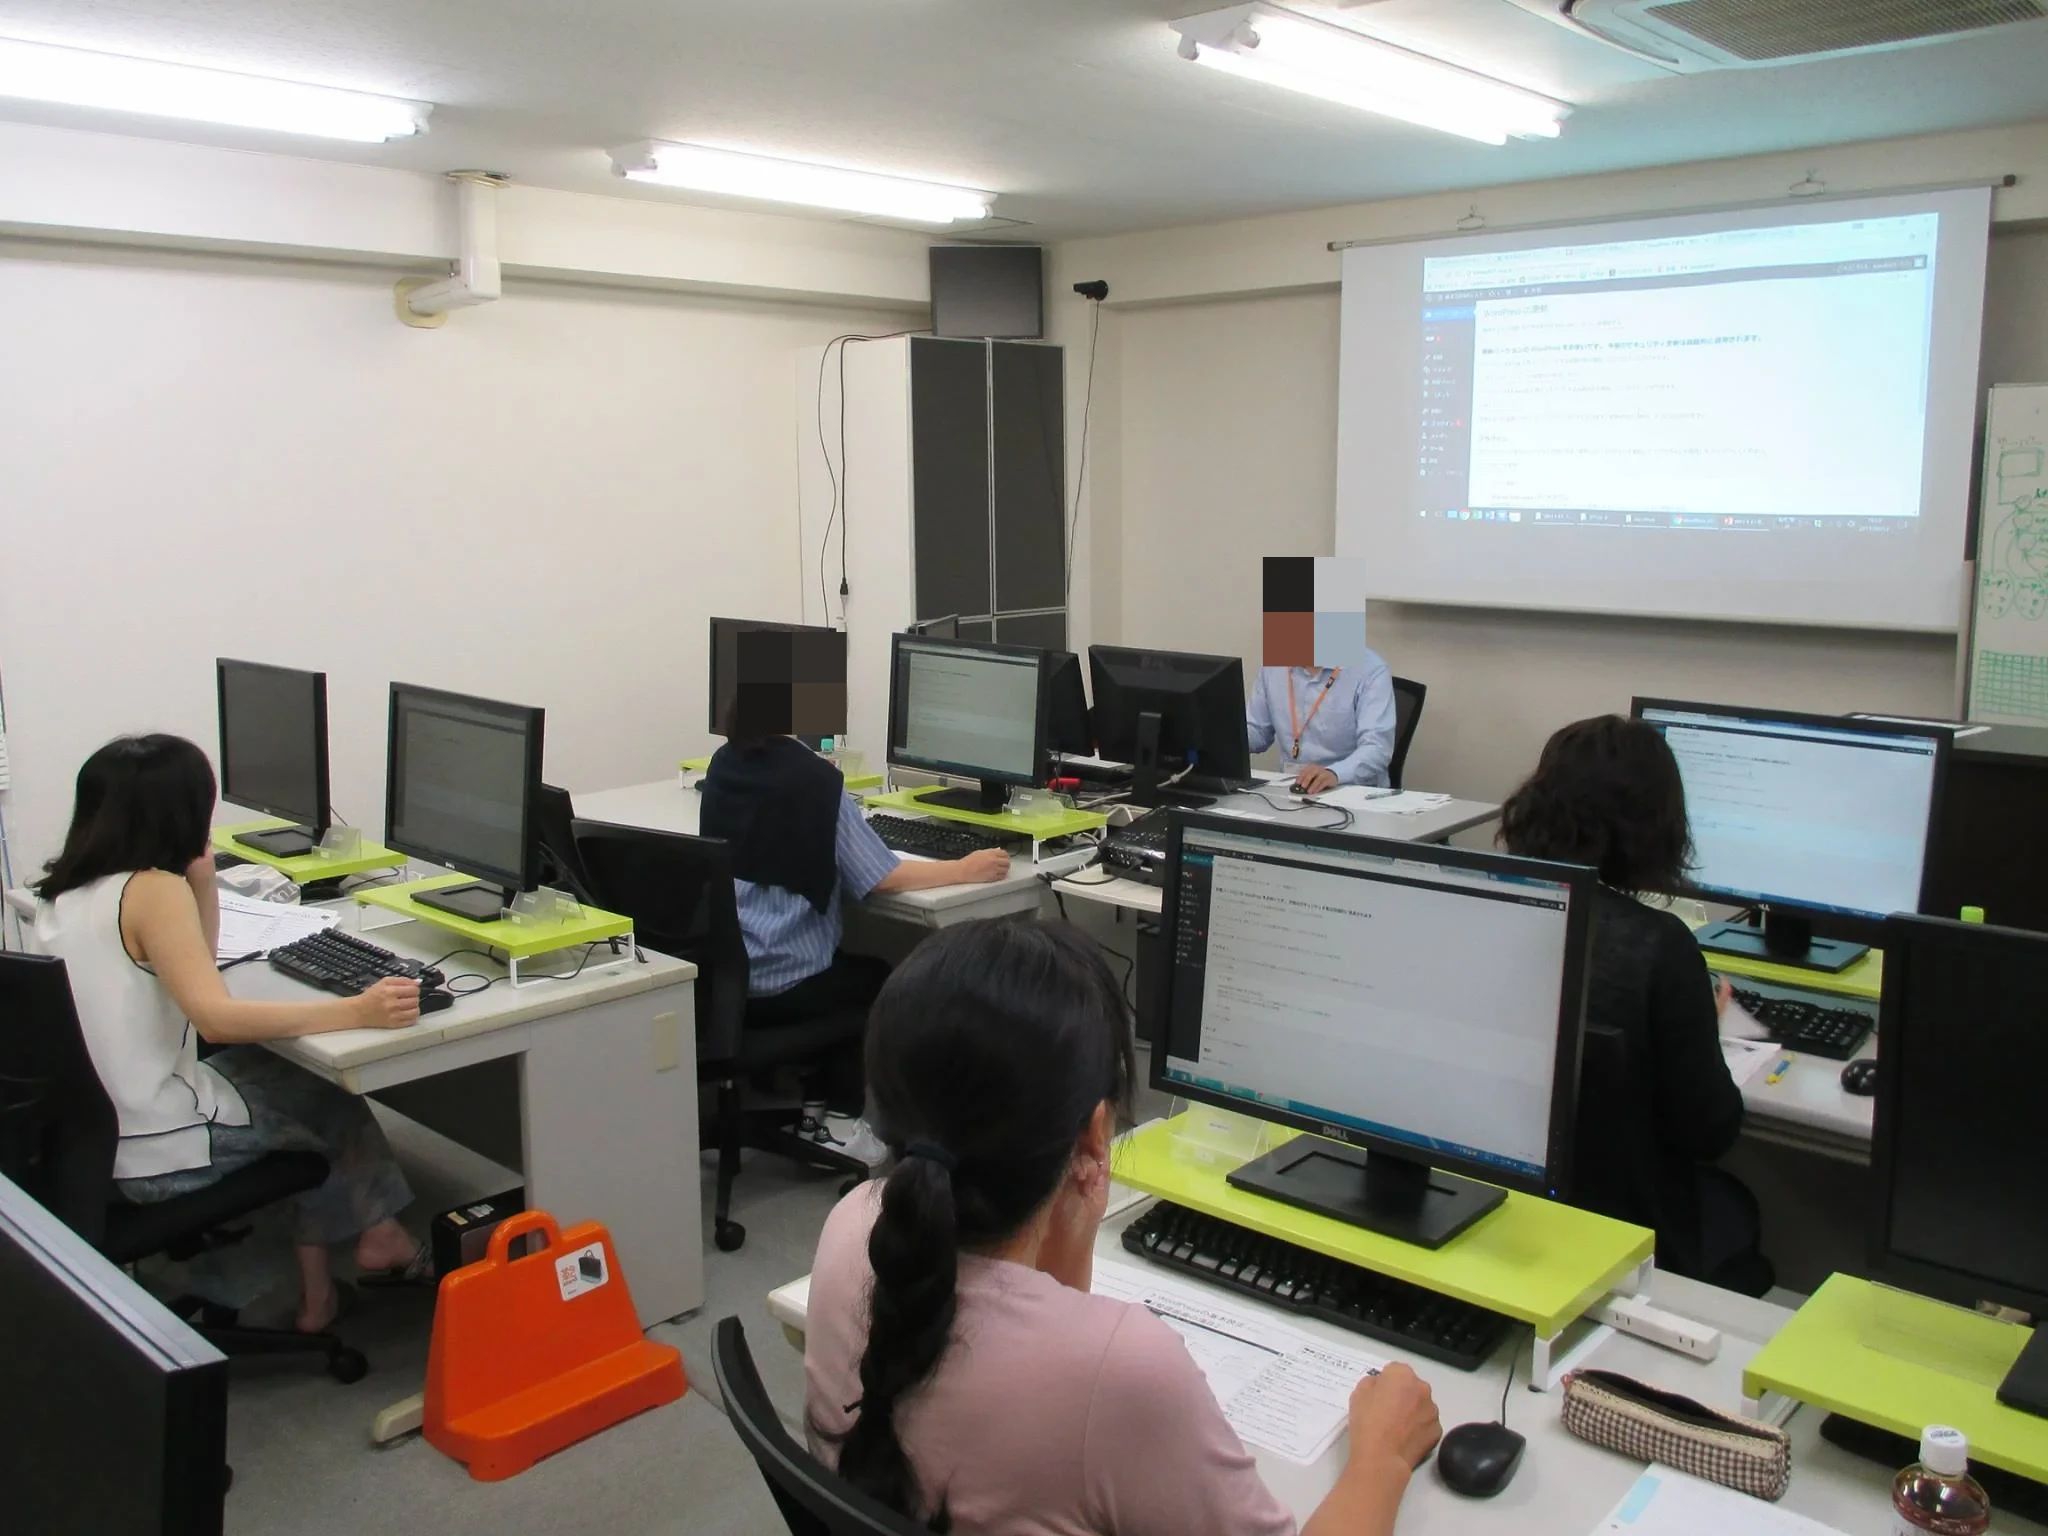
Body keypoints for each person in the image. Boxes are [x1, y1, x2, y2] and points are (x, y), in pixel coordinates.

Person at [805, 920, 1441, 1535]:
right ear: (1094, 1133)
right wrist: (1381, 1458)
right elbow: (1068, 1339)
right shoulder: (1117, 1370)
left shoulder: (853, 1226)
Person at [32, 735, 425, 1334]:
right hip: (159, 1150)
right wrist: (358, 1011)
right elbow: (215, 1018)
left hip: (92, 1144)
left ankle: (334, 1280)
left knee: (288, 1081)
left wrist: (202, 880)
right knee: (323, 1091)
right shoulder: (150, 891)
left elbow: (198, 970)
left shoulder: (62, 890)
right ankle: (374, 1244)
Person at [1498, 715, 1765, 1290]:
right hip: (1624, 1239)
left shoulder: (1485, 910)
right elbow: (1709, 1133)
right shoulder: (1660, 946)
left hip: (1502, 1215)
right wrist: (1705, 1027)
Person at [698, 725, 1008, 1157]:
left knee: (849, 967)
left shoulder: (725, 764)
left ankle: (816, 1107)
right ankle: (843, 1124)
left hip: (728, 977)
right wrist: (963, 868)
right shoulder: (815, 782)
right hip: (786, 979)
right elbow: (879, 877)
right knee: (878, 980)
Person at [1246, 654, 1398, 793]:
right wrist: (1232, 739)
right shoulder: (1273, 666)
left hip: (1351, 791)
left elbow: (1377, 748)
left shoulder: (1371, 669)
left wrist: (1335, 773)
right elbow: (1258, 732)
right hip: (1290, 789)